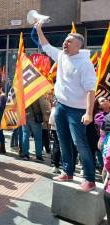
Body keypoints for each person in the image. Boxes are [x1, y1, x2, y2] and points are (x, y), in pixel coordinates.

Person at [37, 22, 97, 192]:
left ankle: (89, 179)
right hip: (61, 106)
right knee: (63, 141)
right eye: (65, 40)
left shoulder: (85, 64)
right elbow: (46, 45)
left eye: (69, 41)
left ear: (79, 45)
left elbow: (90, 91)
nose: (65, 43)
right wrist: (39, 28)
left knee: (80, 143)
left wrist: (88, 113)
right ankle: (67, 171)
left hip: (77, 111)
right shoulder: (62, 56)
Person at [21, 96, 46, 161]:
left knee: (25, 136)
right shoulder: (36, 93)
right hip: (35, 118)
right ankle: (39, 156)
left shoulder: (22, 93)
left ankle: (25, 155)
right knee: (38, 138)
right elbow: (42, 106)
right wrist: (44, 116)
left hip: (25, 116)